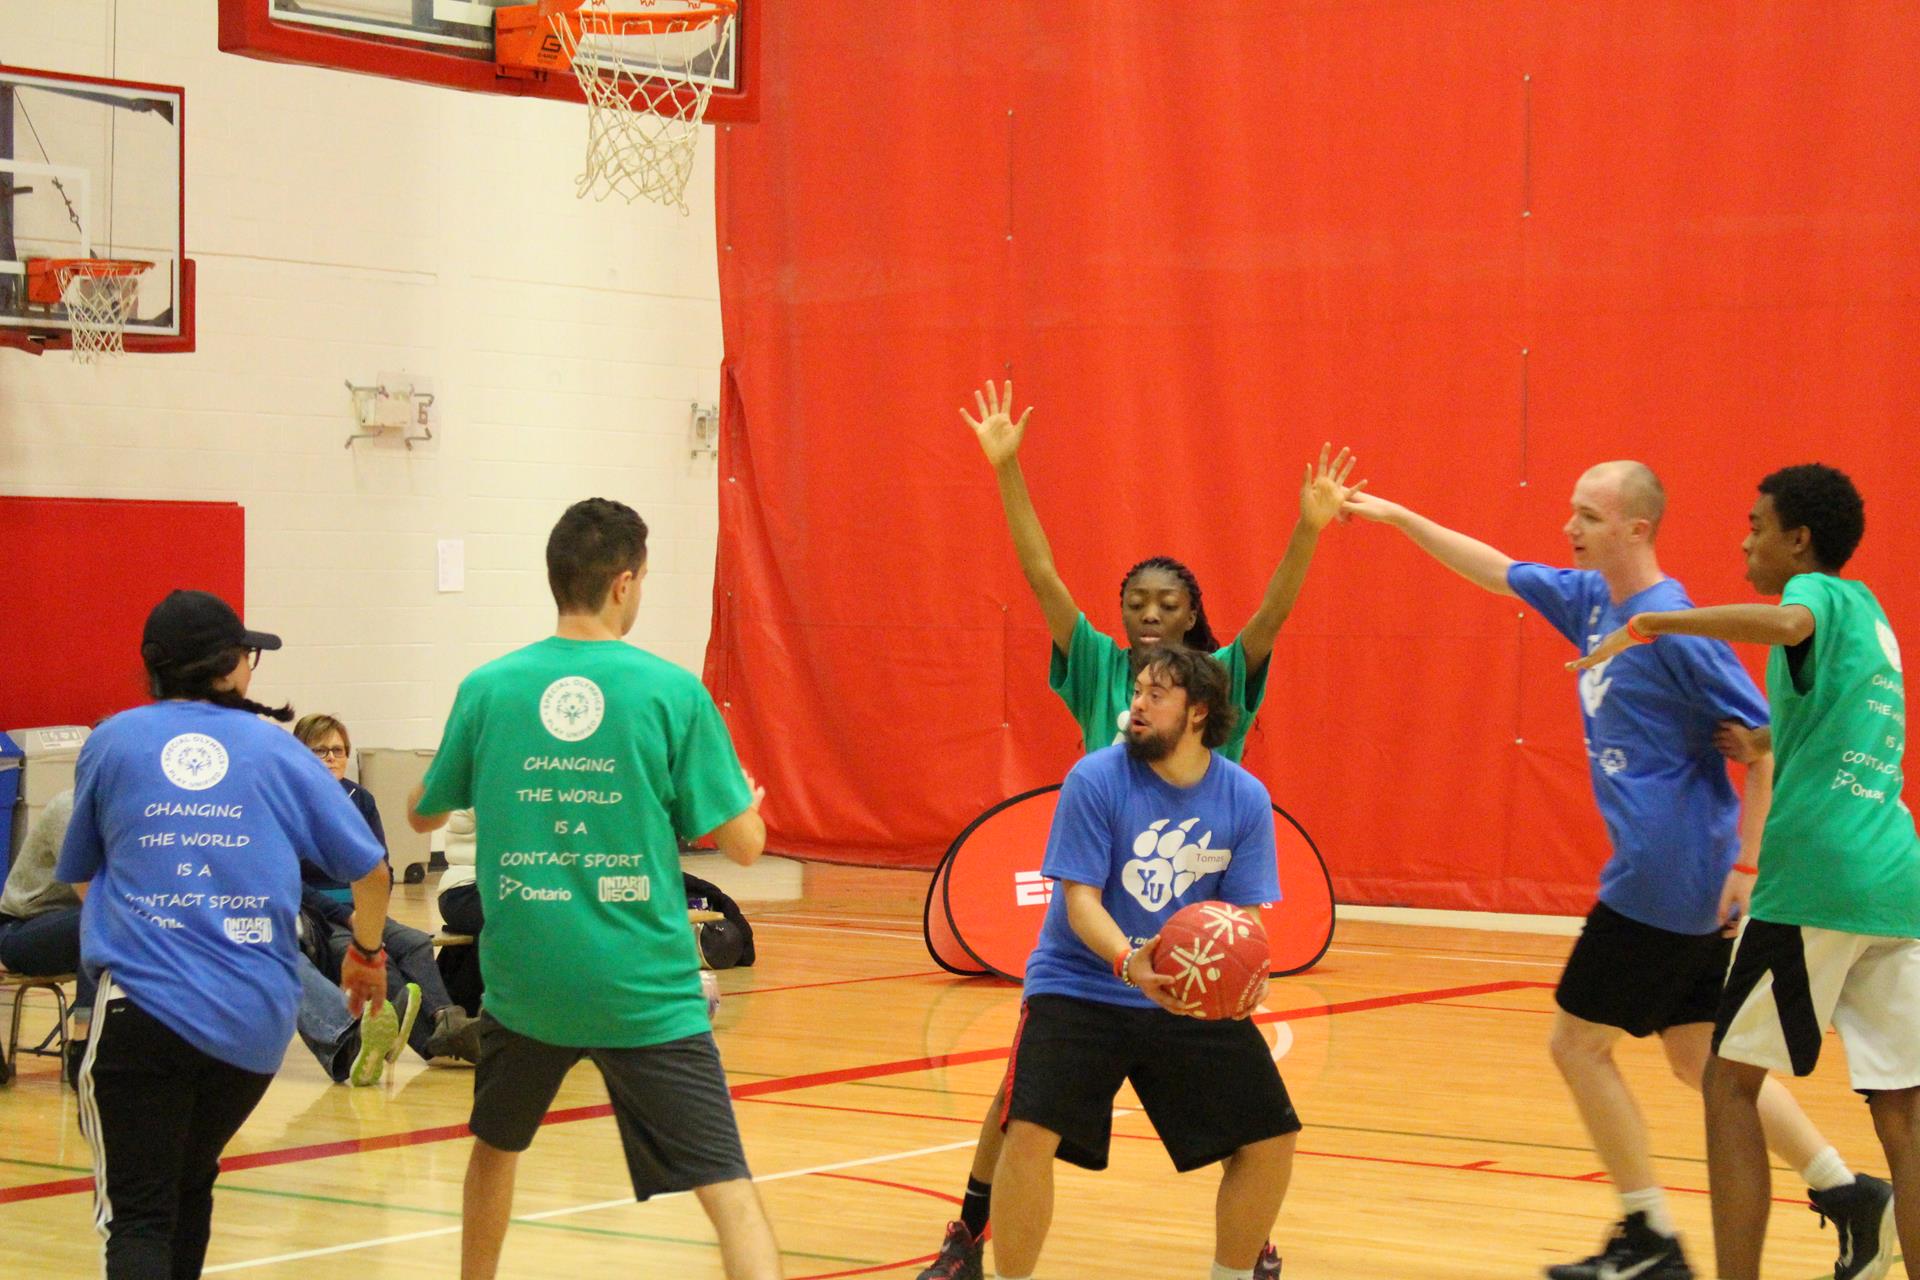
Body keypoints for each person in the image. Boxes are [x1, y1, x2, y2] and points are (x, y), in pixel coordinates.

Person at [1346, 463, 1894, 1279]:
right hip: (1679, 875)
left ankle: (1650, 1238)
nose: (1571, 527)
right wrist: (1396, 513)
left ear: (1637, 528)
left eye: (1590, 516)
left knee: (1576, 1045)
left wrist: (1745, 862)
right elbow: (1494, 567)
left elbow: (1765, 742)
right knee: (1699, 1055)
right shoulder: (1590, 599)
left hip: (1670, 872)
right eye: (1570, 511)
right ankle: (1850, 1194)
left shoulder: (1672, 622)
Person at [920, 380, 1362, 1280]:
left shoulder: (1218, 689)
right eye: (1136, 602)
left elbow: (1272, 618)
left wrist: (1309, 530)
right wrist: (1007, 471)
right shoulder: (1096, 680)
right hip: (1093, 937)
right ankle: (972, 1234)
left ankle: (1250, 1240)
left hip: (1174, 944)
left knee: (1252, 1125)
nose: (1149, 614)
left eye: (1167, 603)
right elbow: (1042, 575)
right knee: (1019, 1099)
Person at [406, 498, 783, 1280]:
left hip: (525, 984)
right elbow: (746, 847)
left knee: (494, 1154)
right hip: (643, 987)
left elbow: (422, 812)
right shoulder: (669, 692)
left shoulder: (489, 688)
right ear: (622, 583)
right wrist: (743, 801)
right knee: (728, 1189)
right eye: (643, 579)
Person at [1575, 463, 1920, 1280]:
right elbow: (1831, 712)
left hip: (1817, 879)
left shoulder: (1823, 597)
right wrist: (1764, 745)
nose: (1744, 538)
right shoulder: (1874, 618)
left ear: (1799, 540)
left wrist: (1660, 623)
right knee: (1904, 1114)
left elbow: (1792, 620)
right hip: (1896, 881)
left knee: (1728, 1086)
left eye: (1757, 525)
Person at [55, 589, 392, 1279]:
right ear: (233, 666)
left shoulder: (113, 740)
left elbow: (83, 877)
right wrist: (365, 952)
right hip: (253, 1025)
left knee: (141, 1215)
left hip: (142, 1015)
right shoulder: (276, 748)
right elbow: (374, 872)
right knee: (190, 1180)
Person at [991, 646, 1296, 1280]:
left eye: (1157, 696)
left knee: (1270, 1139)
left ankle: (1233, 1273)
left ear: (1197, 713)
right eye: (1137, 692)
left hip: (1183, 995)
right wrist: (1132, 963)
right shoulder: (1095, 778)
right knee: (1029, 1133)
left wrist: (1232, 973)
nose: (1137, 705)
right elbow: (1079, 902)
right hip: (1082, 985)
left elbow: (1246, 919)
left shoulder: (1245, 797)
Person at [291, 713, 479, 1065]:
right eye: (320, 751)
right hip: (322, 918)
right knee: (373, 953)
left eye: (338, 750)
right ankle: (434, 1042)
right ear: (300, 754)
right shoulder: (290, 805)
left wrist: (371, 910)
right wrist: (350, 917)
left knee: (415, 942)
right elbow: (293, 883)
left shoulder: (360, 799)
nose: (331, 758)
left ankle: (445, 1019)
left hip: (364, 907)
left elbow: (381, 866)